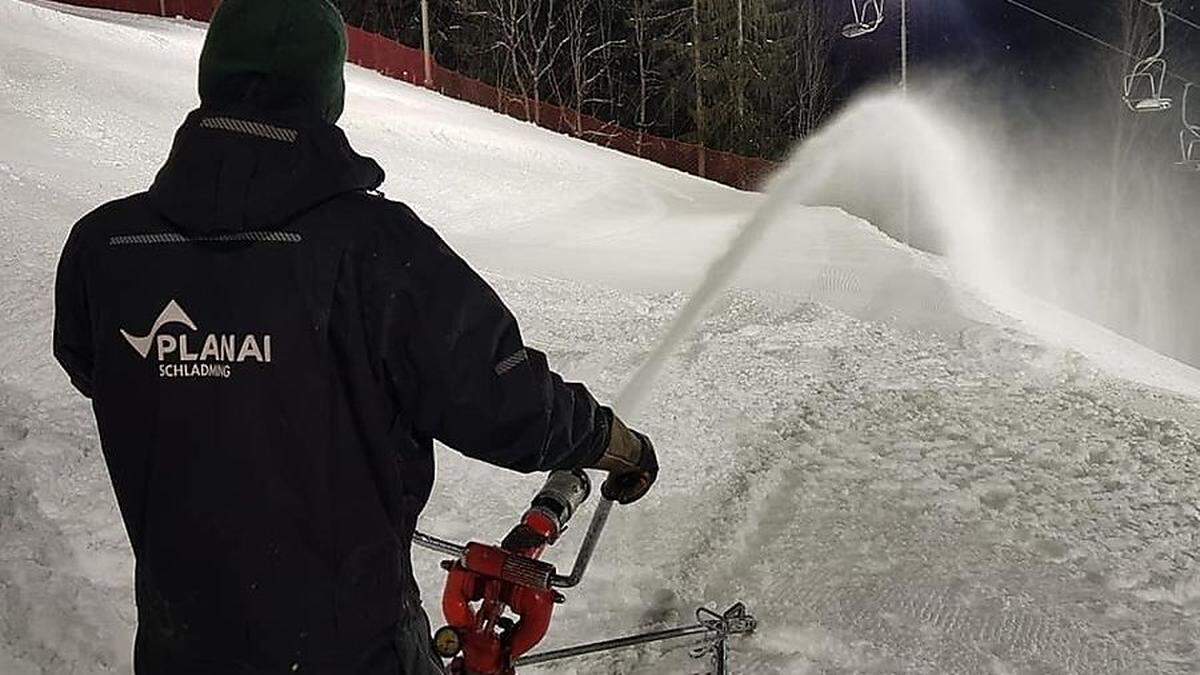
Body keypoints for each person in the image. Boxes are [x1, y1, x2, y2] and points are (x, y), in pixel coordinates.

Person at [51, 0, 658, 672]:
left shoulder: (106, 249)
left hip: (180, 652)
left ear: (209, 75)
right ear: (327, 92)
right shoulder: (374, 251)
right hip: (354, 652)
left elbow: (94, 366)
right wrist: (614, 443)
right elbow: (503, 398)